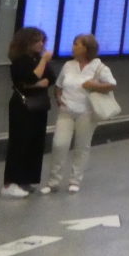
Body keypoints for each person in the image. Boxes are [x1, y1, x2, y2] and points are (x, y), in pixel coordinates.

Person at [41, 34, 117, 195]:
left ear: (86, 48)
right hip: (66, 111)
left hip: (86, 112)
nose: (73, 47)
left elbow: (111, 85)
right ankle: (53, 181)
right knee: (59, 144)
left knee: (82, 146)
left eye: (76, 44)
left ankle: (75, 180)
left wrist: (94, 85)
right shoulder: (68, 65)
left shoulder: (99, 67)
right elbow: (59, 85)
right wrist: (59, 98)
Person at [3, 27, 57, 198]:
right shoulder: (20, 61)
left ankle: (25, 179)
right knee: (20, 142)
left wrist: (36, 82)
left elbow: (50, 78)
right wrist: (37, 77)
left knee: (34, 142)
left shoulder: (37, 59)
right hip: (22, 106)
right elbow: (29, 78)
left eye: (42, 41)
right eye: (36, 41)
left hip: (38, 105)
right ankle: (10, 182)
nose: (41, 44)